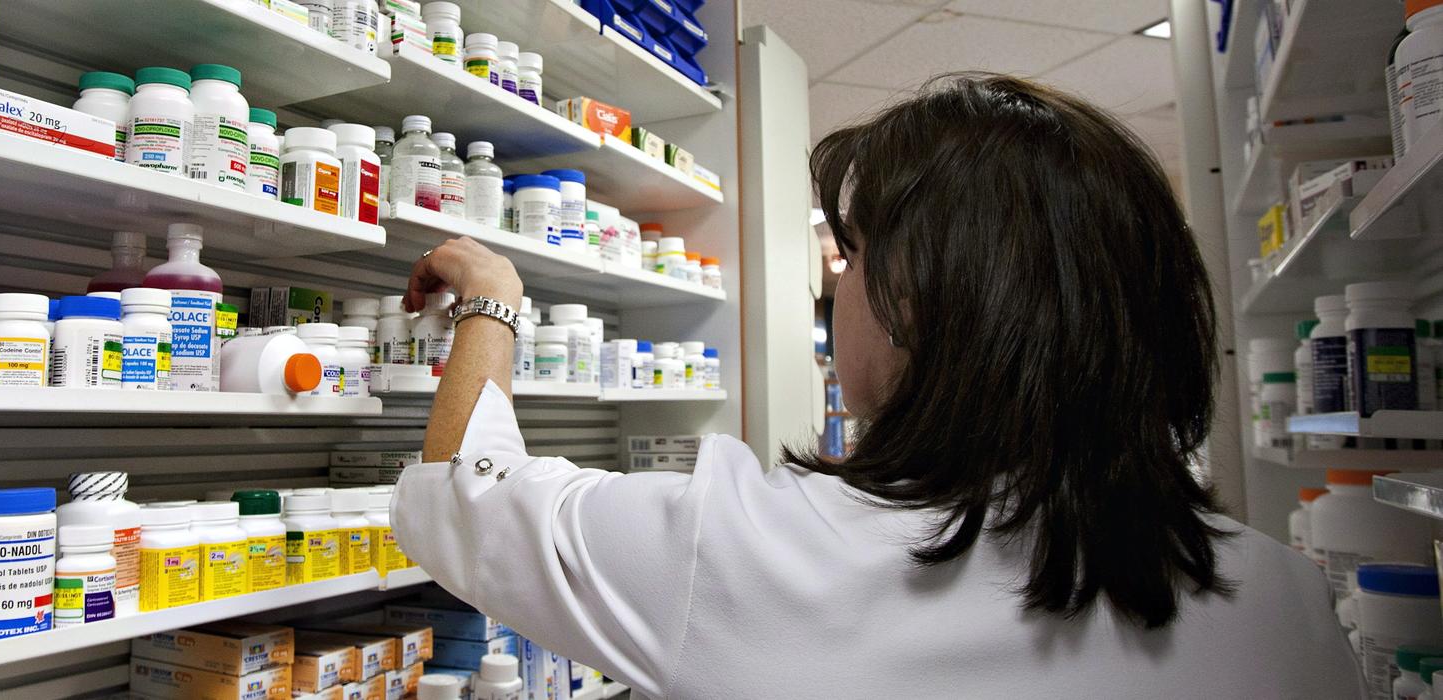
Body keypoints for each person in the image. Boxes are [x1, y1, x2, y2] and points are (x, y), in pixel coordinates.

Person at [391, 73, 1361, 698]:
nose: (830, 282)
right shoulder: (1293, 608)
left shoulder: (746, 553)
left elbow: (464, 500)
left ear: (925, 304)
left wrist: (495, 298)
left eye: (848, 256)